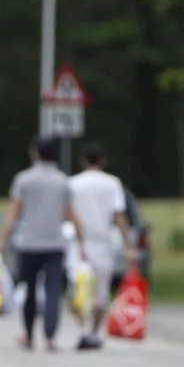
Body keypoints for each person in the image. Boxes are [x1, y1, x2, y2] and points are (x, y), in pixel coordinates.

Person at [0, 136, 87, 352]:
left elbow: (14, 214)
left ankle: (29, 336)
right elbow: (71, 214)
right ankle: (51, 337)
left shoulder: (24, 180)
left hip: (29, 243)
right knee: (53, 290)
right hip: (55, 243)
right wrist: (82, 242)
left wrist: (1, 240)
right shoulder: (62, 181)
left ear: (35, 153)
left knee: (30, 289)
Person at [68, 142, 137, 349]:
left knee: (77, 287)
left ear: (82, 161)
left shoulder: (72, 183)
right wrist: (128, 244)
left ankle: (82, 329)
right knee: (101, 292)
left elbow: (68, 212)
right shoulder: (112, 184)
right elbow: (119, 215)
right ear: (104, 160)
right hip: (103, 242)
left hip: (78, 242)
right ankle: (95, 331)